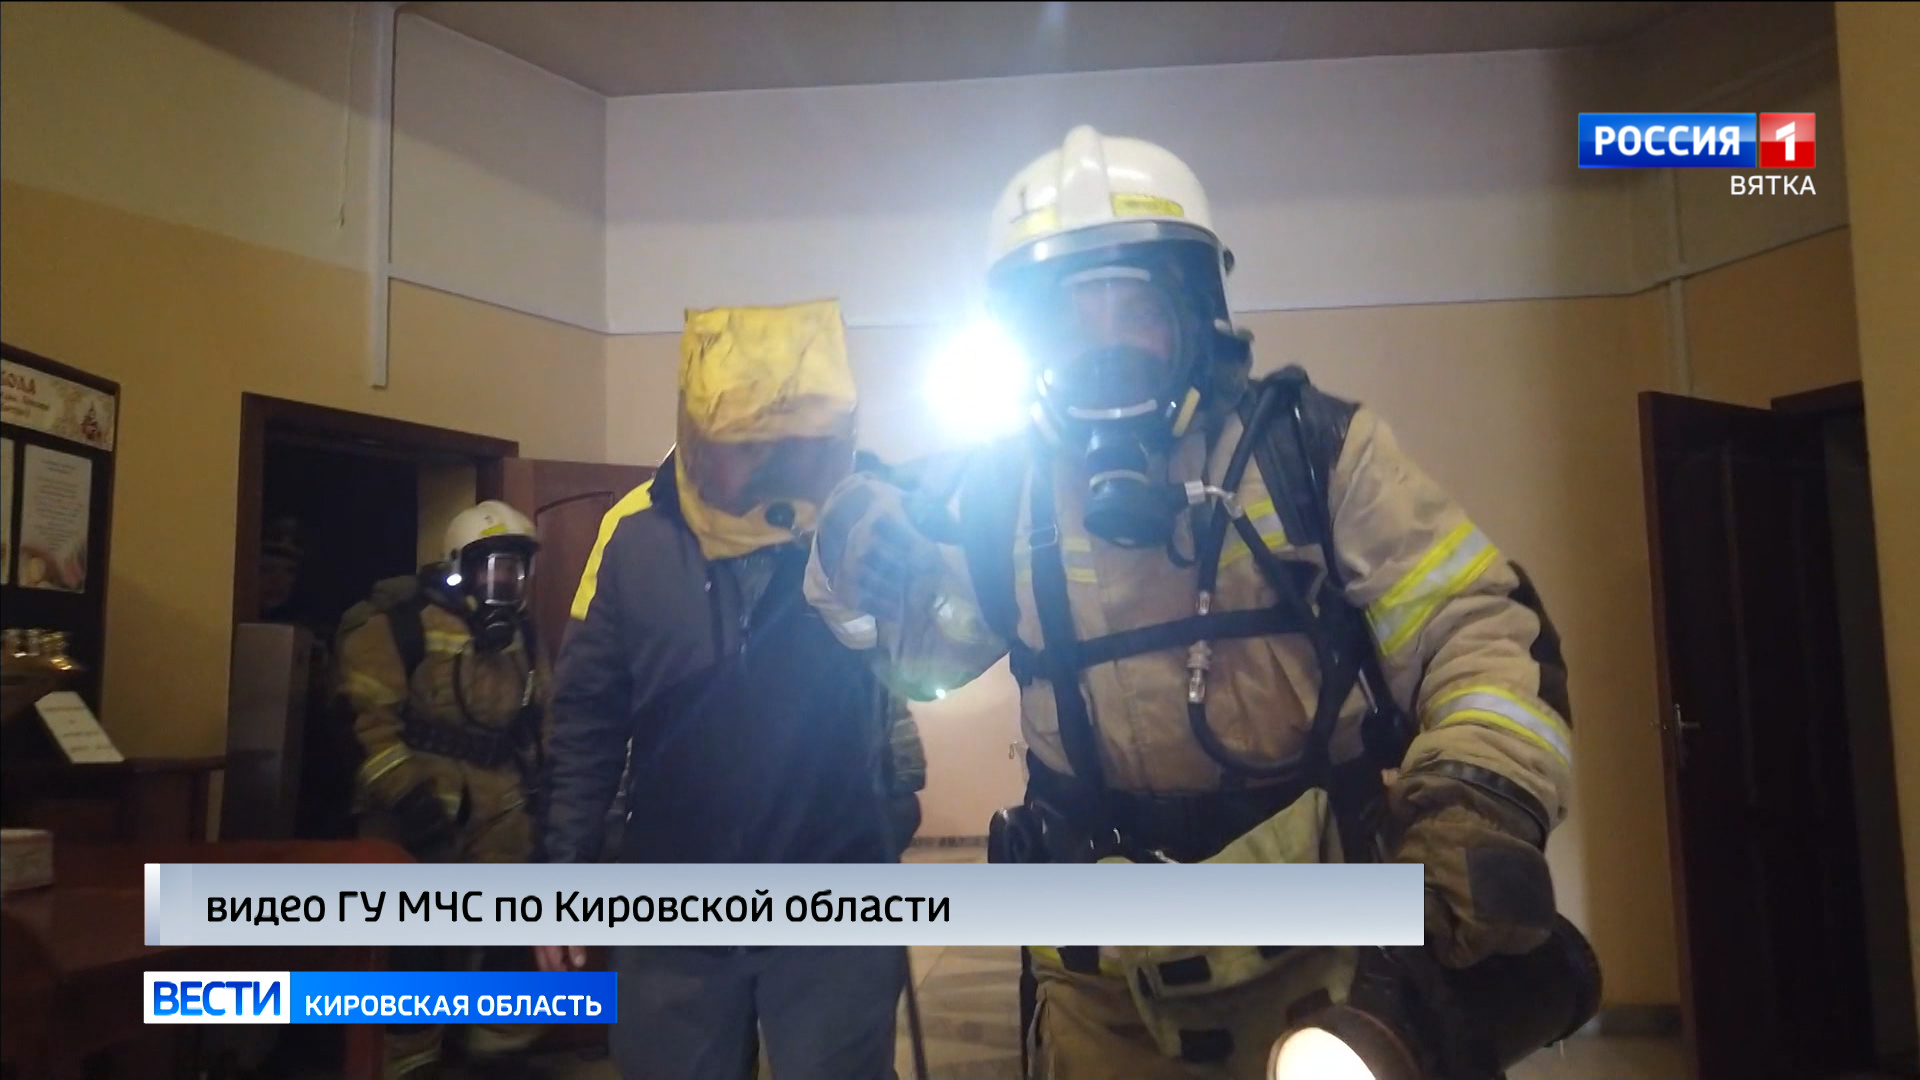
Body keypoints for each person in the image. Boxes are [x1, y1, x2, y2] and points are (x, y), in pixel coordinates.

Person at [806, 126, 1577, 1079]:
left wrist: (1478, 797)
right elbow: (923, 658)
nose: (1106, 347)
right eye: (1071, 319)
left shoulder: (1315, 454)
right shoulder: (1002, 493)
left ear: (1199, 314)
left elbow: (1478, 627)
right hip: (1101, 973)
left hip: (1326, 951)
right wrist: (852, 564)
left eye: (1137, 309)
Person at [536, 299, 907, 1080]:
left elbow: (925, 664)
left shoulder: (863, 532)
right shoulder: (633, 541)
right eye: (748, 445)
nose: (769, 466)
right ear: (699, 440)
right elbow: (587, 719)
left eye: (790, 446)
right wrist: (565, 867)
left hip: (833, 899)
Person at [335, 500, 551, 1079]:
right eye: (493, 569)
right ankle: (410, 1062)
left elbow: (541, 717)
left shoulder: (522, 635)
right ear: (460, 567)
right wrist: (409, 800)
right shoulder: (397, 626)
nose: (505, 583)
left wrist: (549, 794)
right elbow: (365, 725)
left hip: (502, 814)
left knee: (510, 938)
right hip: (414, 815)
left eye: (516, 571)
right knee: (413, 945)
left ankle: (499, 1052)